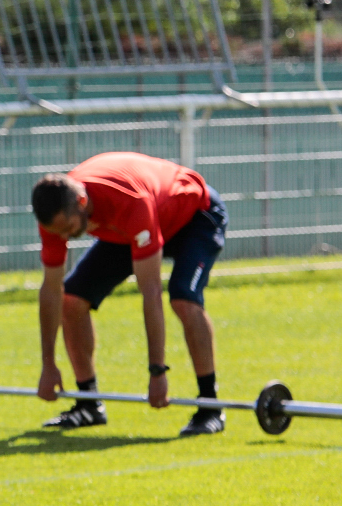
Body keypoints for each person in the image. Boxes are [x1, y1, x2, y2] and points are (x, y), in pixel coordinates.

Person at [31, 152, 228, 436]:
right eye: (56, 232)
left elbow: (150, 292)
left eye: (67, 229)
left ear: (82, 203)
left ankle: (210, 407)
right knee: (71, 299)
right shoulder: (55, 215)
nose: (62, 237)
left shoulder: (129, 200)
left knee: (183, 298)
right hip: (127, 230)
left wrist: (157, 371)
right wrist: (48, 364)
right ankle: (88, 403)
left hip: (195, 216)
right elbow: (51, 290)